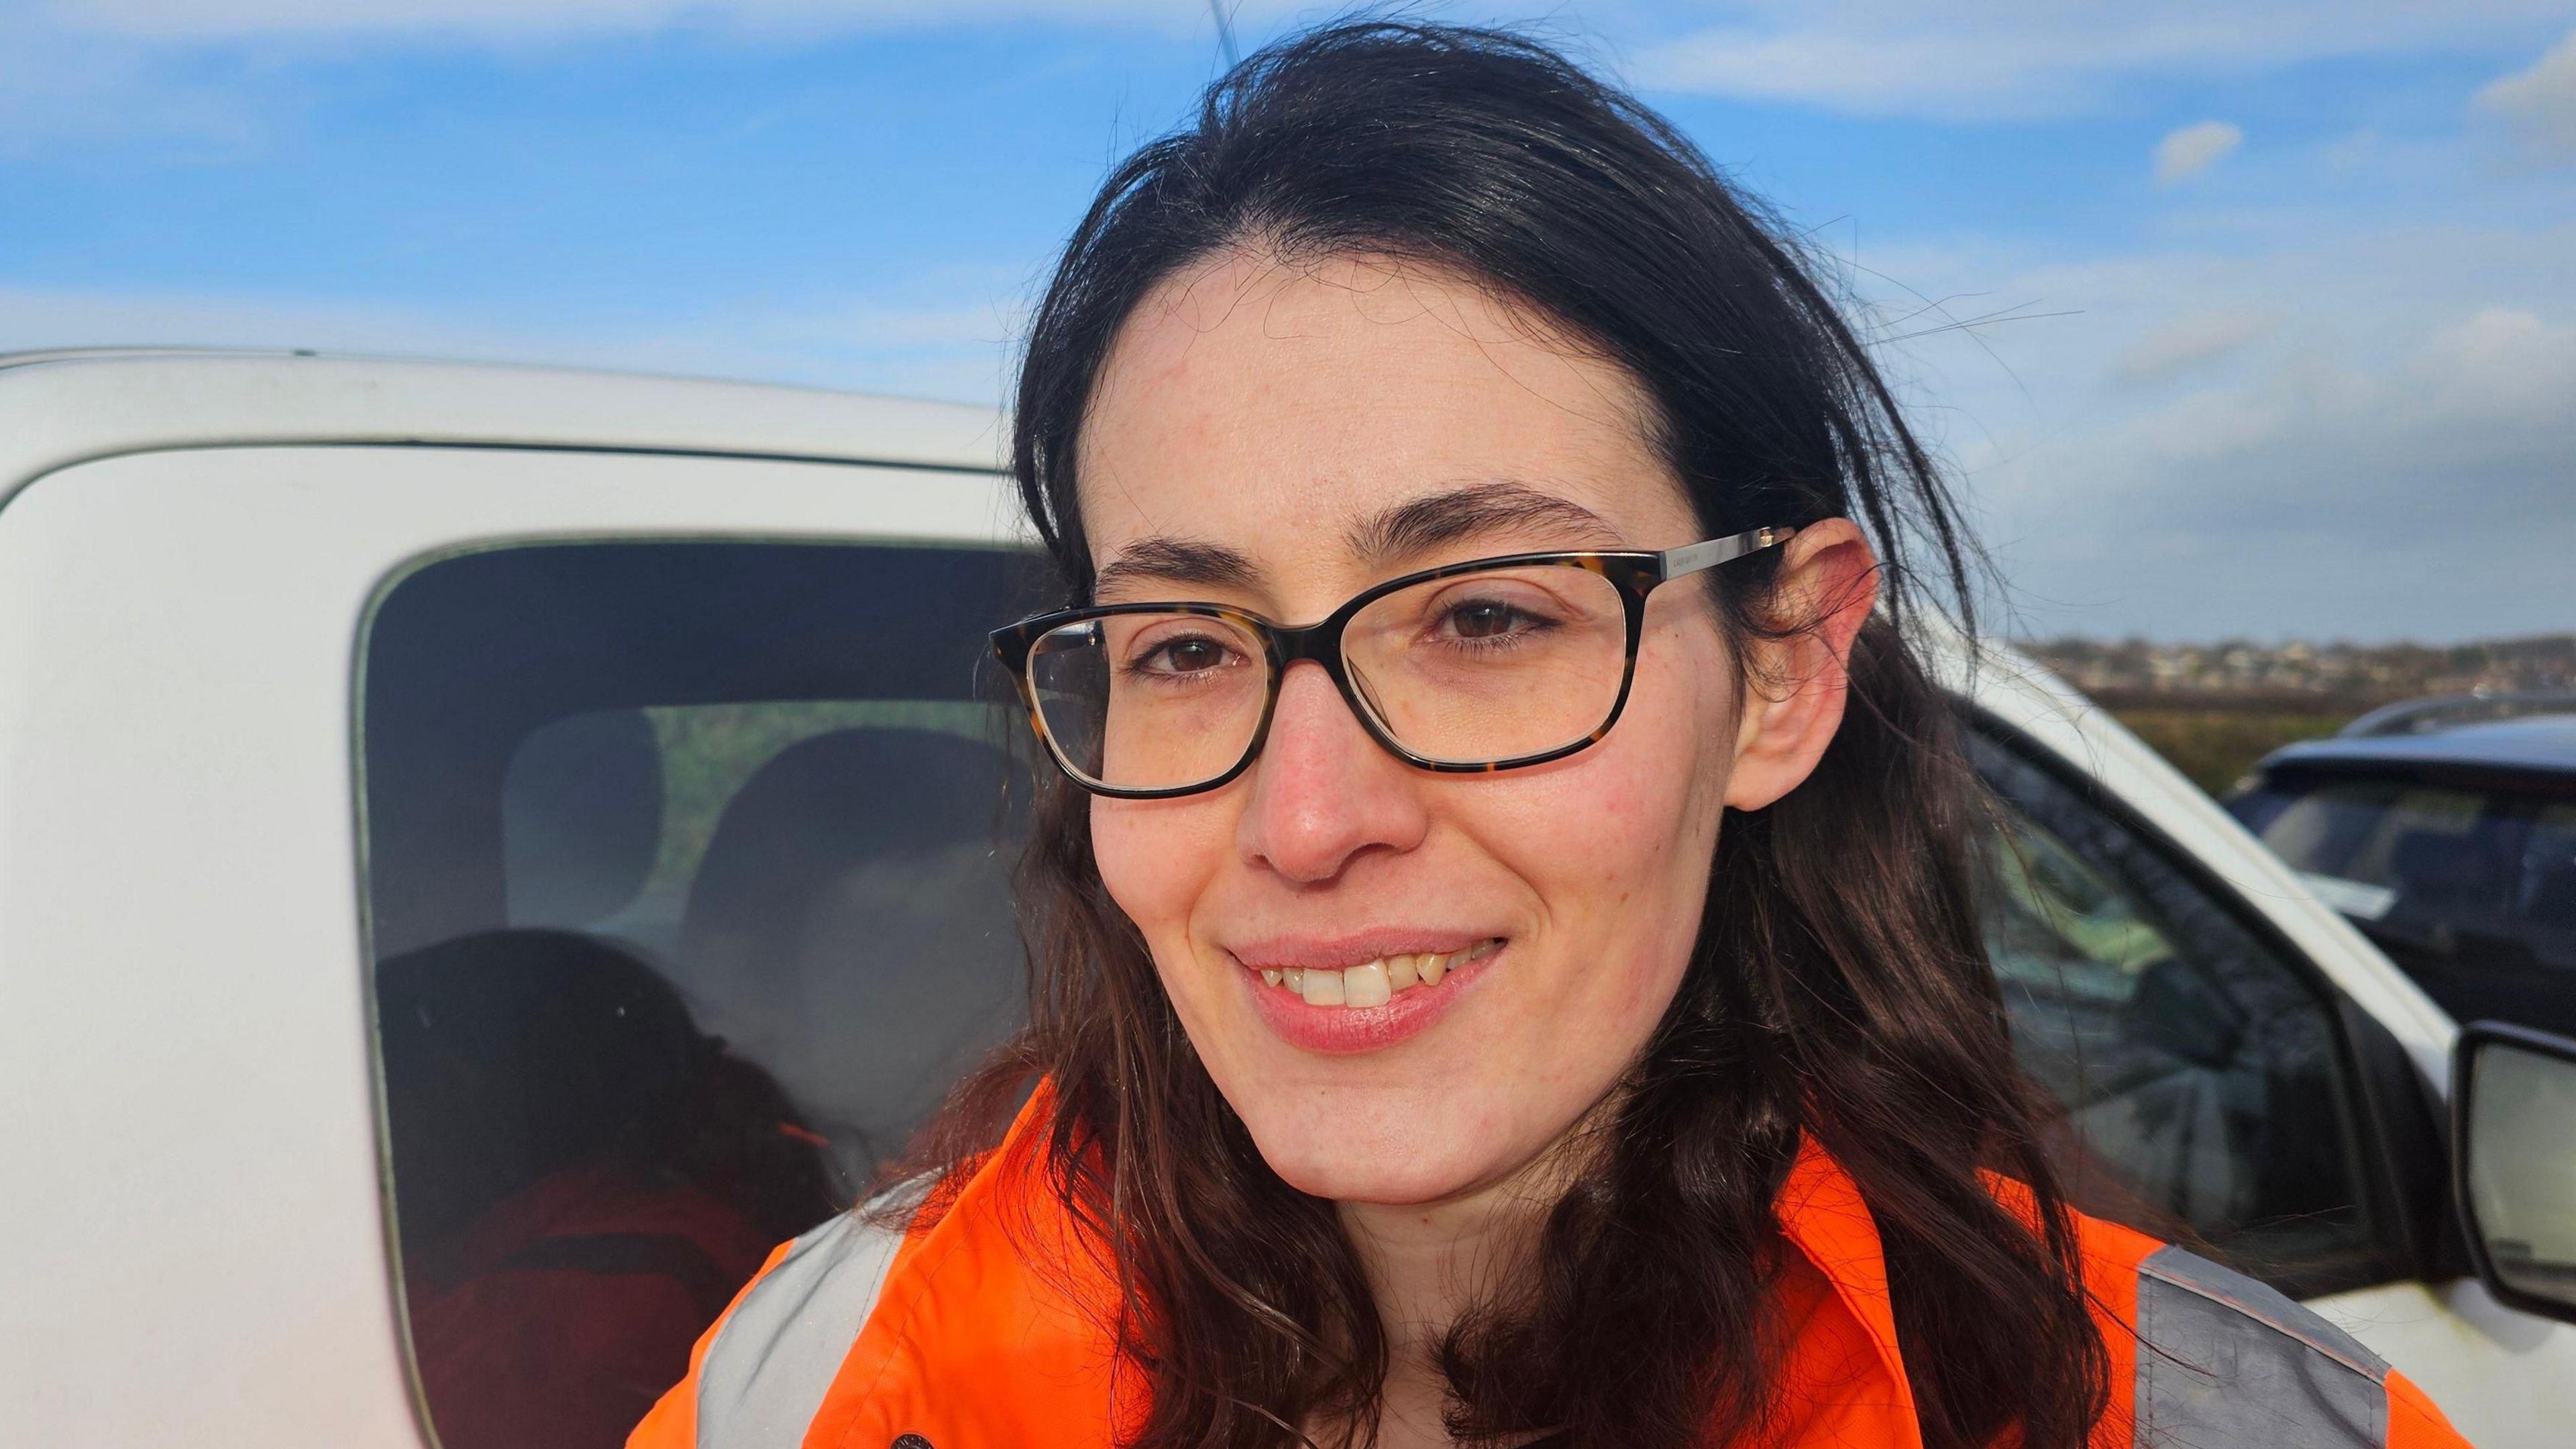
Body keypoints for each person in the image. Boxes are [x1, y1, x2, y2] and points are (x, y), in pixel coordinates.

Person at [632, 22, 2471, 1449]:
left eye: (1487, 618)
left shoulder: (2201, 1416)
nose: (1306, 817)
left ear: (1780, 670)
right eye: (1188, 643)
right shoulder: (823, 1378)